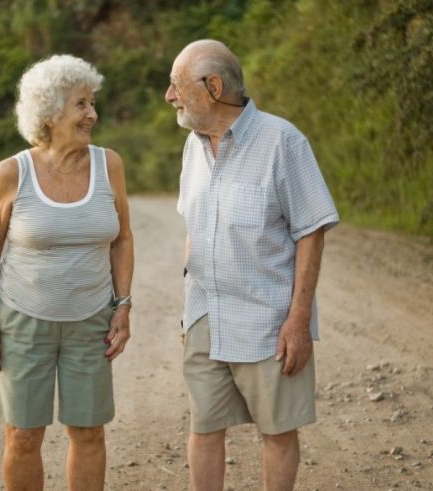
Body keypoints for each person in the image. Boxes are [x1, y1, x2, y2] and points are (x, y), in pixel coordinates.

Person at [166, 40, 339, 491]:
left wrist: (298, 320)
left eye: (177, 85)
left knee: (278, 431)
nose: (170, 96)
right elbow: (193, 226)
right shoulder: (192, 147)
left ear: (214, 87)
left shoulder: (283, 142)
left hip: (268, 320)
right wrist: (189, 309)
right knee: (203, 427)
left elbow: (311, 231)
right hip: (206, 312)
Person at [0, 54, 133, 491]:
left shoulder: (110, 165)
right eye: (82, 104)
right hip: (23, 322)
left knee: (88, 431)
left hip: (91, 321)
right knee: (23, 435)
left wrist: (123, 306)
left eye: (93, 103)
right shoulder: (12, 173)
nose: (93, 114)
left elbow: (122, 239)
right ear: (50, 112)